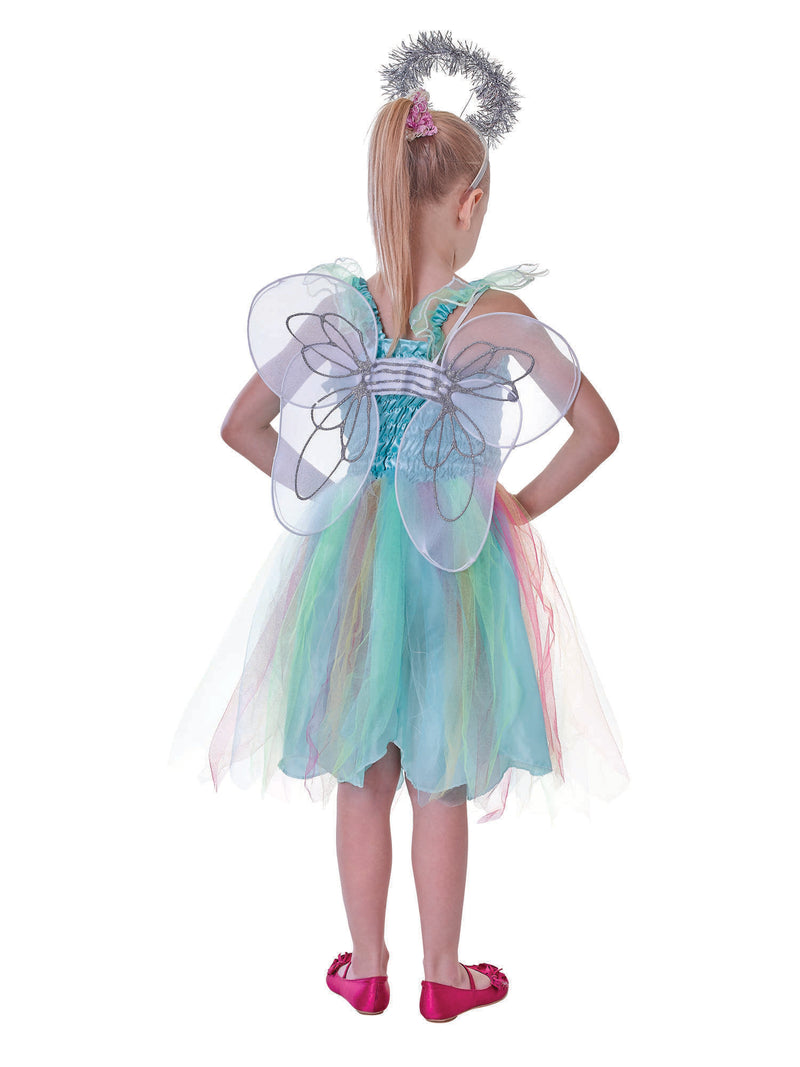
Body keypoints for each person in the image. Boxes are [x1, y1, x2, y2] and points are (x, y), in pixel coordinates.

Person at [172, 39, 629, 1024]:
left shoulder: (346, 307)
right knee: (439, 772)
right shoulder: (490, 311)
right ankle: (444, 973)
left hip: (349, 563)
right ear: (469, 203)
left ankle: (367, 966)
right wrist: (517, 505)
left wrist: (336, 490)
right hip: (454, 560)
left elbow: (241, 425)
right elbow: (598, 431)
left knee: (361, 771)